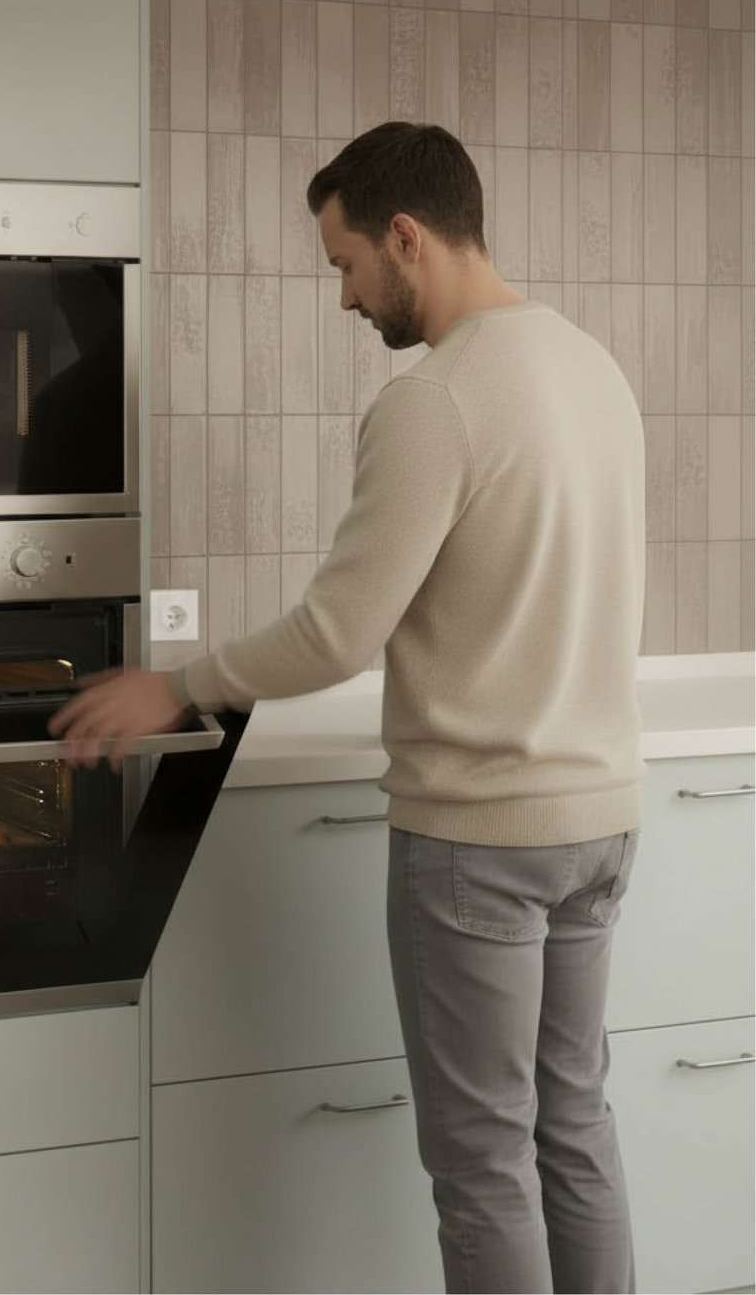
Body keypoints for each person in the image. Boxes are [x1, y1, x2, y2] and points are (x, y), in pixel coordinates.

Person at [50, 121, 645, 1294]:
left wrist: (173, 681)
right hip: (597, 820)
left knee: (480, 1159)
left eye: (343, 262)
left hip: (479, 834)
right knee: (570, 1127)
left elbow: (335, 630)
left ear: (406, 237)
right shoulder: (591, 364)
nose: (343, 296)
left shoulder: (435, 400)